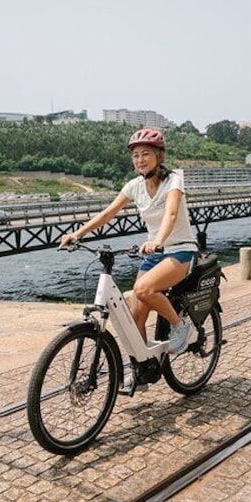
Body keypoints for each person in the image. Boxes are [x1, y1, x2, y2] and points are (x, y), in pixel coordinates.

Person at [59, 128, 197, 362]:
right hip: (154, 255)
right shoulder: (134, 186)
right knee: (135, 320)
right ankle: (143, 366)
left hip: (180, 250)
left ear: (158, 156)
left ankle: (181, 325)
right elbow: (108, 213)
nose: (140, 160)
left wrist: (157, 241)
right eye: (135, 155)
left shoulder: (174, 180)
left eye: (145, 154)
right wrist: (77, 234)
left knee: (143, 290)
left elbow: (171, 214)